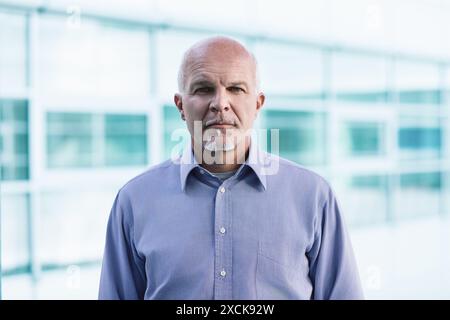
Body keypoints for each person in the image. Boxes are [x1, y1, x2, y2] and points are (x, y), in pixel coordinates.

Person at [98, 36, 363, 300]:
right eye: (203, 89)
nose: (220, 103)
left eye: (236, 89)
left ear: (257, 104)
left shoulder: (313, 196)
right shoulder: (134, 201)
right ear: (180, 106)